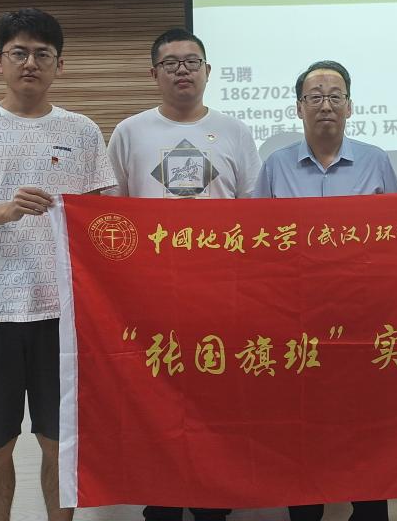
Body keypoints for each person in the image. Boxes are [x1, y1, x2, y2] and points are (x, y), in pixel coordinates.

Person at [0, 8, 117, 521]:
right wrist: (5, 211)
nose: (30, 63)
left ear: (59, 65)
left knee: (60, 443)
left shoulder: (82, 130)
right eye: (19, 52)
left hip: (64, 314)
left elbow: (102, 220)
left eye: (42, 54)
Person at [105, 27, 261, 521]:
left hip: (220, 293)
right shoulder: (130, 132)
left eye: (191, 62)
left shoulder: (235, 131)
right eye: (170, 64)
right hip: (153, 295)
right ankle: (163, 499)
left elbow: (253, 212)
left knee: (216, 399)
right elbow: (113, 216)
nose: (182, 71)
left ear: (208, 71)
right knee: (158, 401)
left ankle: (213, 500)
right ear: (154, 74)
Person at [255, 59, 397, 521]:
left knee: (365, 419)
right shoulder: (276, 166)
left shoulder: (377, 162)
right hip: (295, 318)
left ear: (350, 106)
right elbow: (258, 242)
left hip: (361, 316)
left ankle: (369, 507)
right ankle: (305, 506)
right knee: (302, 422)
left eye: (335, 97)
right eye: (315, 97)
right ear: (299, 108)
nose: (325, 106)